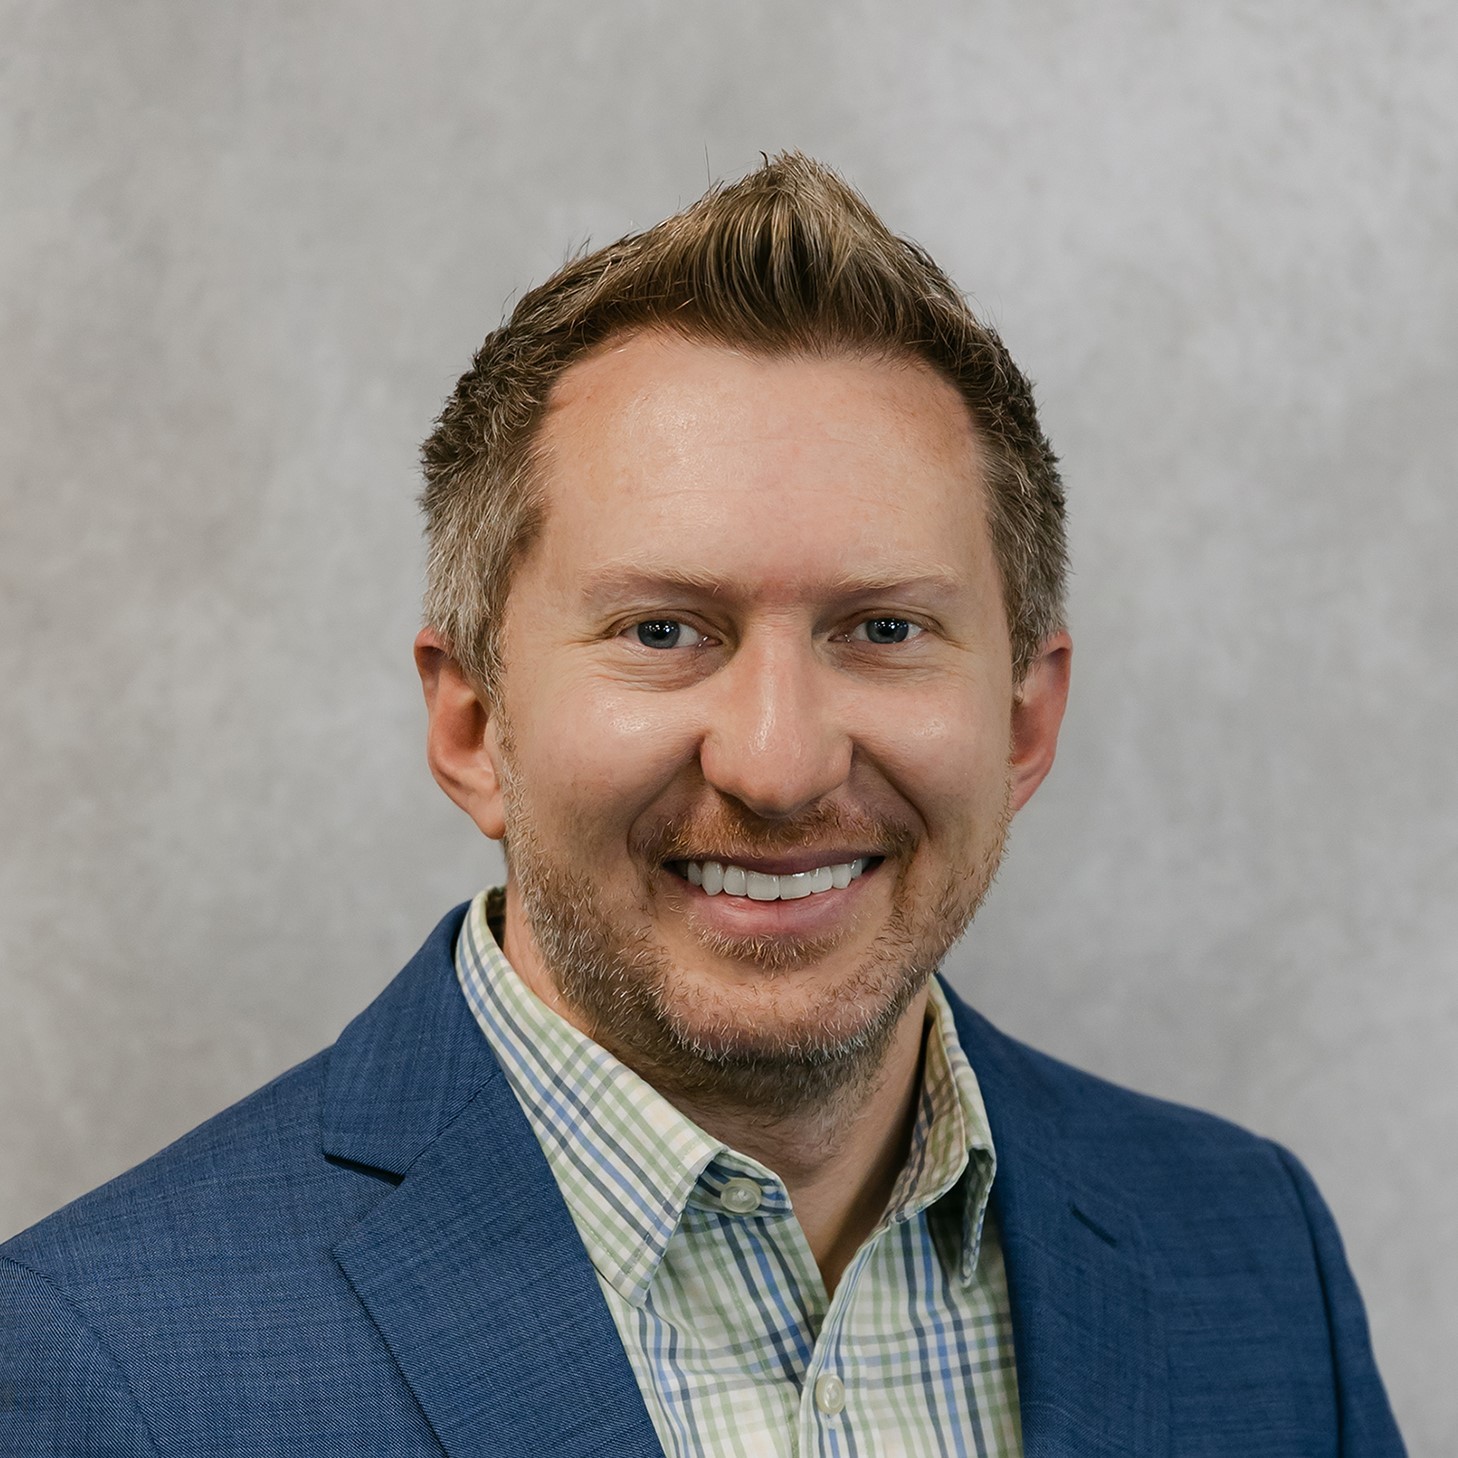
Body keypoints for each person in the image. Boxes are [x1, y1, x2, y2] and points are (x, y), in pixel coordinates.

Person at [0, 154, 1404, 1457]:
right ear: (473, 721)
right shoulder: (111, 1360)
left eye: (883, 629)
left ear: (1023, 719)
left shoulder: (1248, 1254)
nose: (778, 764)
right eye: (665, 631)